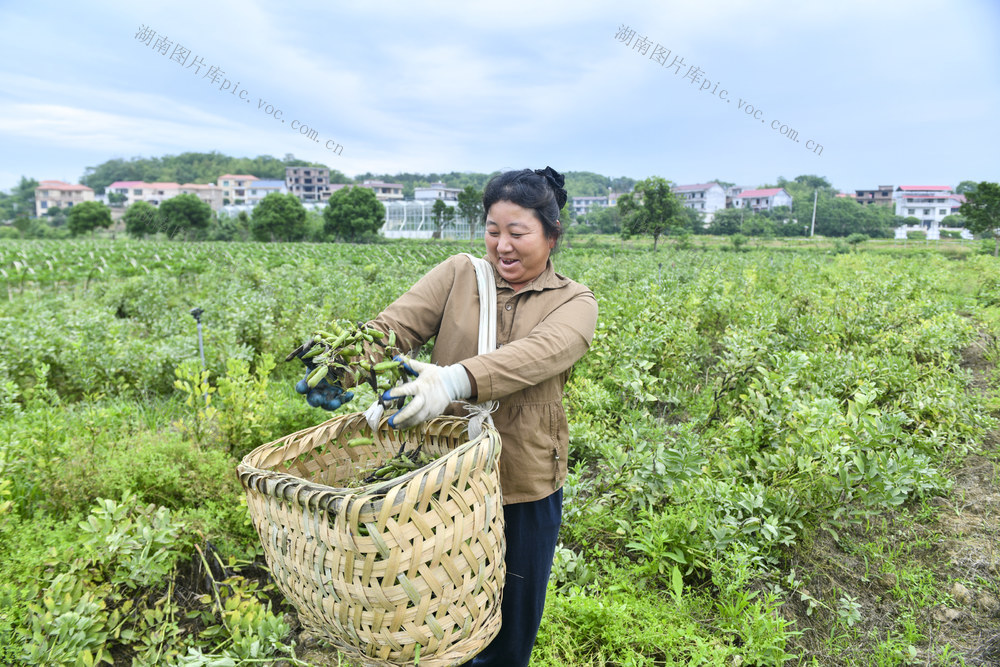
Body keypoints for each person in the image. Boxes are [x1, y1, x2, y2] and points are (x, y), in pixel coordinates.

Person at [297, 166, 598, 666]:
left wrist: (453, 380)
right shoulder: (460, 274)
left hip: (525, 484)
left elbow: (543, 352)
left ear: (551, 234)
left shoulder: (573, 302)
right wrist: (340, 367)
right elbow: (393, 328)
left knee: (509, 629)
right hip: (444, 483)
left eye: (517, 232)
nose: (502, 245)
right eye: (493, 230)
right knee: (436, 615)